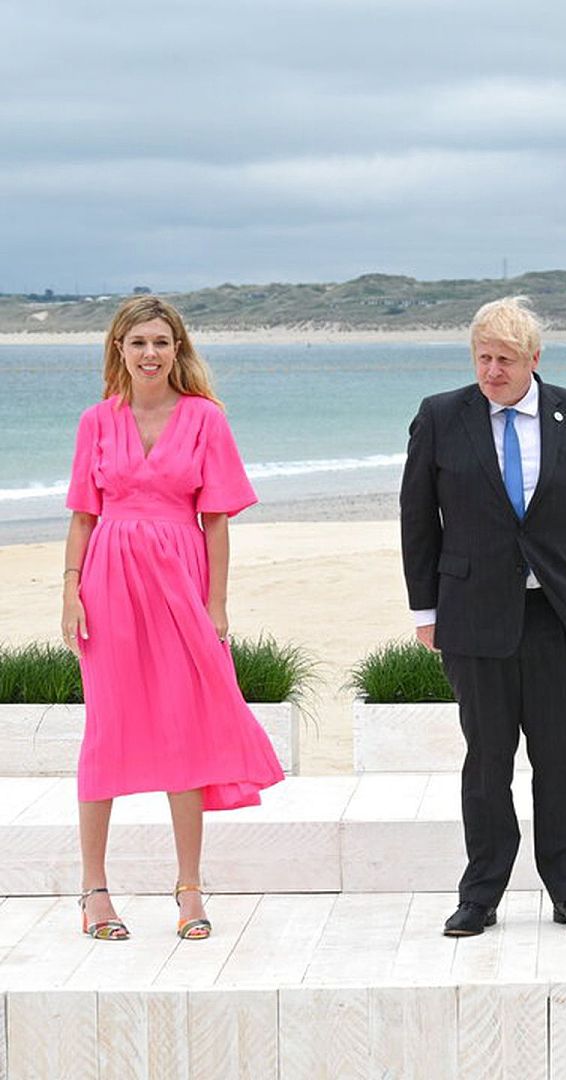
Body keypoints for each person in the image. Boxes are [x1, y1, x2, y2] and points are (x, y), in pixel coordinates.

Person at [400, 296, 566, 937]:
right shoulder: (442, 416)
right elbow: (417, 518)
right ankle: (481, 895)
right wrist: (425, 609)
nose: (491, 371)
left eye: (504, 359)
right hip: (472, 616)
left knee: (562, 758)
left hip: (561, 612)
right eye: (483, 357)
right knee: (487, 759)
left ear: (534, 359)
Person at [61, 297, 284, 942]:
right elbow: (83, 516)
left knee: (185, 725)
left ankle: (190, 888)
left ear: (177, 349)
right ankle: (94, 891)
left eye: (161, 342)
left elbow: (215, 520)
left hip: (181, 580)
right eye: (138, 344)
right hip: (107, 580)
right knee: (106, 729)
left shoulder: (205, 420)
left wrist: (215, 604)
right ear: (119, 351)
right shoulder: (96, 422)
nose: (150, 354)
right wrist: (70, 591)